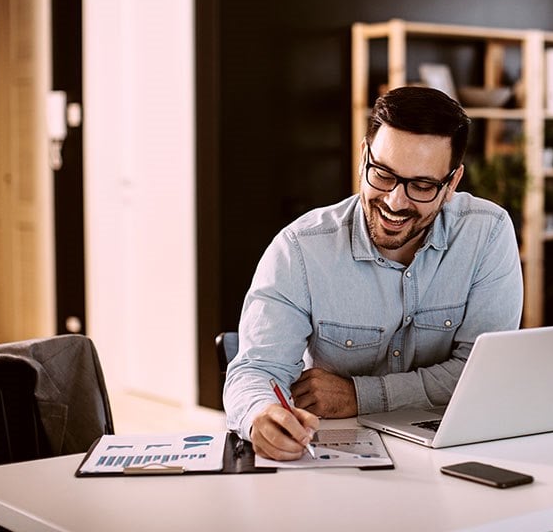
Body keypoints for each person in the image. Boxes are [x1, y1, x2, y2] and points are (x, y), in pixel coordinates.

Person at [224, 86, 524, 460]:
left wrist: (359, 396)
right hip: (337, 460)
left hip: (454, 451)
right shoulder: (300, 249)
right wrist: (260, 415)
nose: (396, 201)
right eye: (382, 174)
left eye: (422, 185)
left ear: (452, 183)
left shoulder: (487, 232)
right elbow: (254, 370)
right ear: (364, 156)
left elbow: (479, 373)